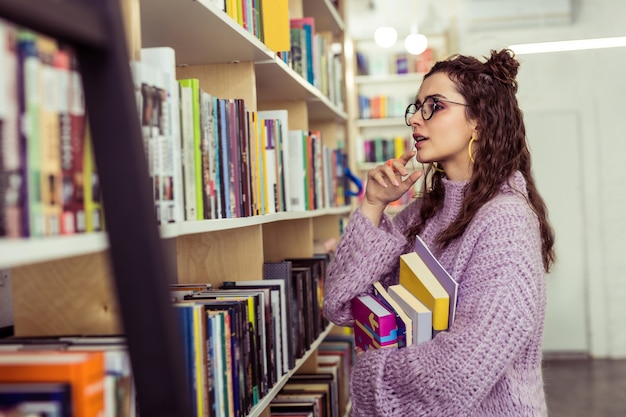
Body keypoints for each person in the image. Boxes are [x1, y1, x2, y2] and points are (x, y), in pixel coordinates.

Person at [323, 49, 555, 417]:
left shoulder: (506, 220)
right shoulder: (421, 213)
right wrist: (372, 205)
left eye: (434, 105)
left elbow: (464, 364)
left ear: (479, 120)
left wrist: (371, 372)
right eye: (415, 107)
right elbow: (340, 303)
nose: (415, 118)